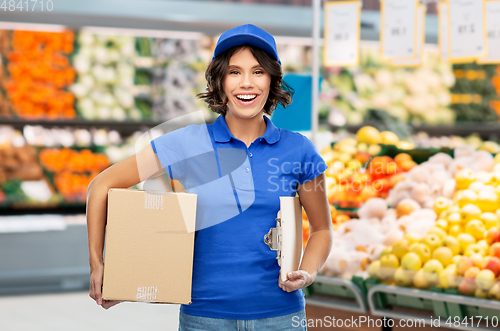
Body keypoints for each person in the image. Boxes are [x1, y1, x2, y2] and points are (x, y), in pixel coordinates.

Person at [87, 24, 333, 331]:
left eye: (258, 71)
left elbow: (322, 229)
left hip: (281, 317)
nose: (247, 83)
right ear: (219, 80)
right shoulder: (187, 143)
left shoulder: (298, 149)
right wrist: (99, 264)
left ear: (272, 79)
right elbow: (101, 185)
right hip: (204, 318)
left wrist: (307, 273)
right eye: (234, 72)